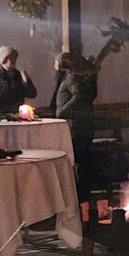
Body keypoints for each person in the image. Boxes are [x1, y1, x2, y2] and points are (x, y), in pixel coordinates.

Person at [54, 52, 96, 200]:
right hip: (83, 125)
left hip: (75, 127)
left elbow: (78, 96)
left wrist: (63, 112)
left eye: (56, 62)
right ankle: (83, 194)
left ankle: (80, 196)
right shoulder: (83, 77)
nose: (55, 65)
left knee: (78, 160)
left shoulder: (72, 77)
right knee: (83, 160)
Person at [0, 45, 37, 119]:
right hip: (0, 117)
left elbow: (32, 94)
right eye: (9, 58)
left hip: (17, 116)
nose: (11, 60)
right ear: (3, 60)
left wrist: (27, 81)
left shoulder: (19, 75)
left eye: (13, 58)